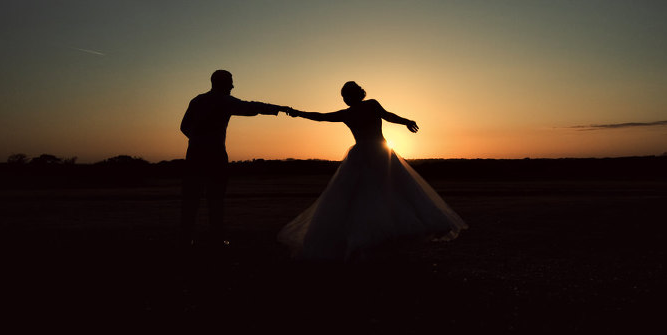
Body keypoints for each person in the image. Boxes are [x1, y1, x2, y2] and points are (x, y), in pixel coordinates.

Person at [278, 81, 467, 261]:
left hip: (371, 155)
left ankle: (377, 237)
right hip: (378, 153)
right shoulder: (360, 109)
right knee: (379, 193)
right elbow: (322, 116)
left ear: (354, 95)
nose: (345, 99)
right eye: (344, 96)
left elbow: (322, 116)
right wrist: (297, 113)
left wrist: (297, 113)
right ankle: (373, 238)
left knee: (375, 192)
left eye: (346, 95)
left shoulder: (360, 109)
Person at [180, 69, 289, 248]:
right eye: (230, 82)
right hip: (215, 156)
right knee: (215, 200)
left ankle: (185, 240)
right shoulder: (223, 100)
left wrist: (197, 140)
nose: (233, 86)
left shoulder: (197, 100)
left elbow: (184, 127)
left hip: (194, 155)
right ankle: (215, 240)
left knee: (191, 200)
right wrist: (278, 108)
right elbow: (251, 107)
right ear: (222, 84)